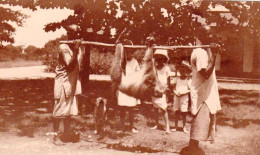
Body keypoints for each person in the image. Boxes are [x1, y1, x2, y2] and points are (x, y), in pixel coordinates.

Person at [180, 38, 221, 155]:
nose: (211, 37)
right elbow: (206, 74)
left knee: (201, 126)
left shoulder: (203, 51)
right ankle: (191, 150)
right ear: (201, 37)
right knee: (199, 125)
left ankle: (192, 149)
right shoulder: (200, 53)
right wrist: (214, 54)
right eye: (207, 35)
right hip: (203, 94)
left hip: (205, 92)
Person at [52, 39, 82, 145]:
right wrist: (76, 48)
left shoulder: (75, 48)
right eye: (73, 34)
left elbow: (79, 66)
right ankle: (55, 136)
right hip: (63, 83)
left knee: (68, 110)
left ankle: (67, 134)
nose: (77, 37)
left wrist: (77, 49)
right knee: (59, 109)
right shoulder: (64, 47)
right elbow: (70, 65)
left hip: (72, 82)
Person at [117, 47, 140, 134]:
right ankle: (122, 126)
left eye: (130, 52)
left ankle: (131, 126)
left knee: (131, 109)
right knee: (122, 108)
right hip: (122, 87)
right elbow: (117, 75)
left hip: (131, 88)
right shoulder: (121, 61)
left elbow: (138, 75)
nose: (128, 53)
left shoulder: (135, 62)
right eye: (127, 52)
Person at [151, 49, 171, 133]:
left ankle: (167, 127)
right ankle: (156, 123)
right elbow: (152, 79)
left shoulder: (166, 68)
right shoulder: (154, 68)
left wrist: (165, 90)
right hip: (155, 89)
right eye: (157, 58)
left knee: (163, 109)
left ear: (164, 59)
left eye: (161, 58)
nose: (159, 60)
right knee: (155, 108)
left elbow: (168, 81)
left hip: (162, 90)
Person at [172, 60, 192, 134]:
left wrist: (183, 93)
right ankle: (176, 126)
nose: (182, 71)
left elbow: (190, 90)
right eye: (181, 70)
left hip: (184, 98)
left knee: (184, 113)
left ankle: (184, 127)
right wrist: (176, 92)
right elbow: (173, 88)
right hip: (177, 97)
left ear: (187, 71)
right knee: (176, 111)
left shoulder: (188, 80)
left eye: (184, 70)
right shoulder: (177, 79)